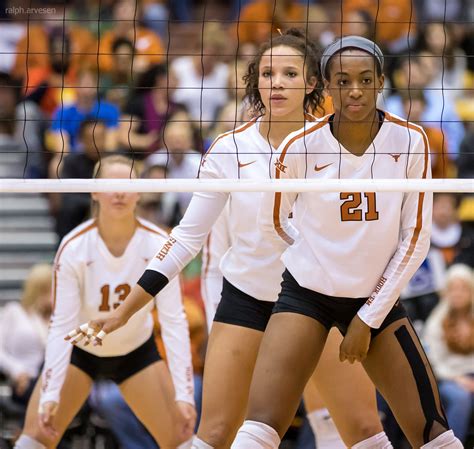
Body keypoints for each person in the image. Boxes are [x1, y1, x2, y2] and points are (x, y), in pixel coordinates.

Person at [75, 30, 393, 449]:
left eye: (289, 73)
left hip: (319, 302)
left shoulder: (338, 146)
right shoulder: (229, 149)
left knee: (364, 431)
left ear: (313, 82)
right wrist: (126, 308)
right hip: (248, 300)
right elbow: (186, 238)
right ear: (255, 81)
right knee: (216, 434)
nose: (276, 82)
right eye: (267, 73)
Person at [230, 35, 463, 449]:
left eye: (364, 79)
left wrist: (369, 316)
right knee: (260, 426)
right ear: (326, 85)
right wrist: (318, 260)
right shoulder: (299, 147)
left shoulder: (411, 141)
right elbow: (274, 224)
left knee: (434, 435)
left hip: (378, 298)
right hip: (307, 297)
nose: (354, 89)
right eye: (342, 80)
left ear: (379, 83)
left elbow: (415, 239)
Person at [14, 155, 196, 449]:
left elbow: (175, 320)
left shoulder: (159, 244)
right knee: (35, 436)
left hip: (136, 352)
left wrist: (184, 394)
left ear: (139, 192)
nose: (120, 192)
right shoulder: (73, 247)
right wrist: (50, 395)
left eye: (128, 184)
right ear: (94, 190)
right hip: (80, 352)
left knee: (182, 437)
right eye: (111, 184)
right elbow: (61, 324)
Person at [424, 264, 474, 445]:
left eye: (463, 288)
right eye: (453, 289)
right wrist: (458, 379)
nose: (458, 293)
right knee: (461, 398)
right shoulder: (437, 320)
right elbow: (433, 360)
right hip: (448, 378)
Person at [0, 264, 52, 407]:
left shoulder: (58, 318)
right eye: (50, 289)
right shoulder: (14, 312)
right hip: (25, 380)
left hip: (51, 379)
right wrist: (17, 371)